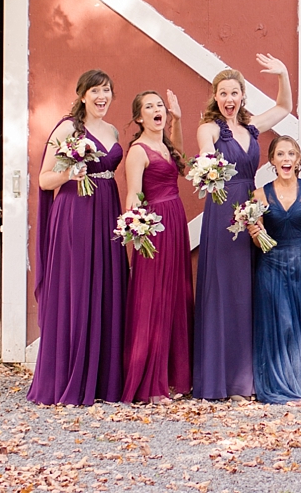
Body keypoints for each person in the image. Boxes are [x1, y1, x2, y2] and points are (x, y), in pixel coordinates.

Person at [190, 55, 291, 401]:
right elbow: (205, 147)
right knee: (223, 288)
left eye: (234, 93)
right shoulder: (212, 127)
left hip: (251, 204)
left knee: (247, 288)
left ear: (242, 96)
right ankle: (219, 378)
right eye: (223, 93)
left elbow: (284, 107)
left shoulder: (250, 128)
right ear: (215, 97)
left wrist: (283, 75)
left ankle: (244, 378)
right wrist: (208, 160)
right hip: (223, 210)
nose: (229, 99)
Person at [28, 70, 127, 407]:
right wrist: (71, 171)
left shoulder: (112, 130)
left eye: (108, 90)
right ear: (83, 94)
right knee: (77, 289)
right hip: (76, 214)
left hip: (107, 210)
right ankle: (68, 377)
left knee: (104, 288)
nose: (103, 96)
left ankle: (100, 378)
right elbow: (44, 180)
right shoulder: (69, 128)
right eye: (96, 90)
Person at [121, 89, 192, 403]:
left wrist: (177, 118)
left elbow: (183, 162)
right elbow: (133, 193)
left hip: (176, 220)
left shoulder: (164, 144)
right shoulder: (138, 151)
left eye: (159, 105)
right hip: (155, 226)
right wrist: (136, 227)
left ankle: (174, 378)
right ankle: (150, 384)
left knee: (175, 294)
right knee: (154, 298)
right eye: (148, 107)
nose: (155, 110)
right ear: (139, 117)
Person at [250, 135, 301, 404]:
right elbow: (258, 240)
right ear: (272, 160)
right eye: (280, 154)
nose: (286, 159)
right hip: (272, 265)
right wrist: (253, 231)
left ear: (298, 159)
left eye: (291, 154)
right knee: (281, 323)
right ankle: (278, 382)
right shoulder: (259, 195)